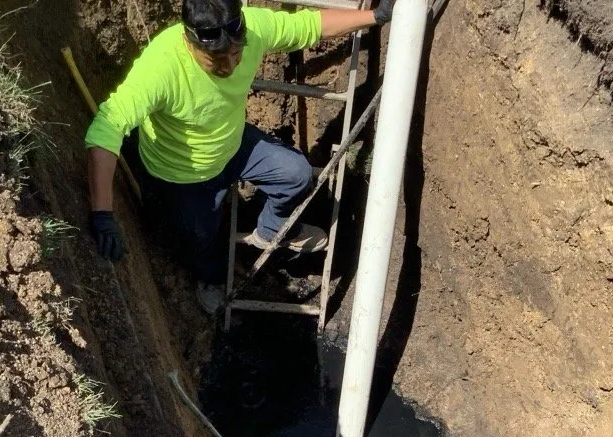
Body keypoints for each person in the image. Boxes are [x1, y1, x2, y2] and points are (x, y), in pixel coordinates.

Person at [84, 0, 395, 313]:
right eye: (216, 60)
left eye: (236, 55)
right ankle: (210, 280)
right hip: (183, 175)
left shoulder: (254, 28)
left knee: (296, 174)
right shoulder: (161, 67)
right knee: (202, 239)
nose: (229, 68)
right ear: (189, 42)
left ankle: (272, 230)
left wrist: (375, 16)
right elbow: (107, 128)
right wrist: (102, 214)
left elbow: (309, 26)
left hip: (232, 143)